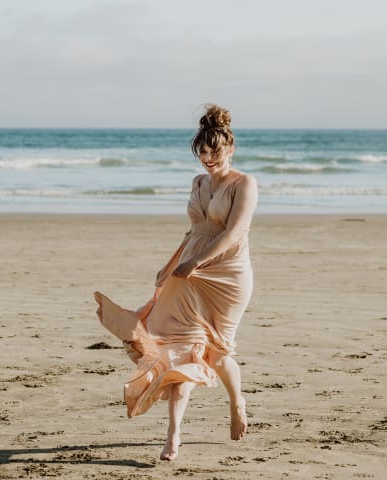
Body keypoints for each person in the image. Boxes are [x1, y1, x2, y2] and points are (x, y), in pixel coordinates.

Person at [93, 104, 258, 461]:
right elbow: (193, 231)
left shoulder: (245, 184)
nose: (207, 158)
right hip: (187, 272)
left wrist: (196, 262)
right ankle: (173, 436)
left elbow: (234, 233)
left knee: (217, 351)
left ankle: (236, 400)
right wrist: (171, 266)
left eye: (214, 151)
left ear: (230, 149)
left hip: (225, 275)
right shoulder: (198, 182)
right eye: (202, 151)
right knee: (181, 348)